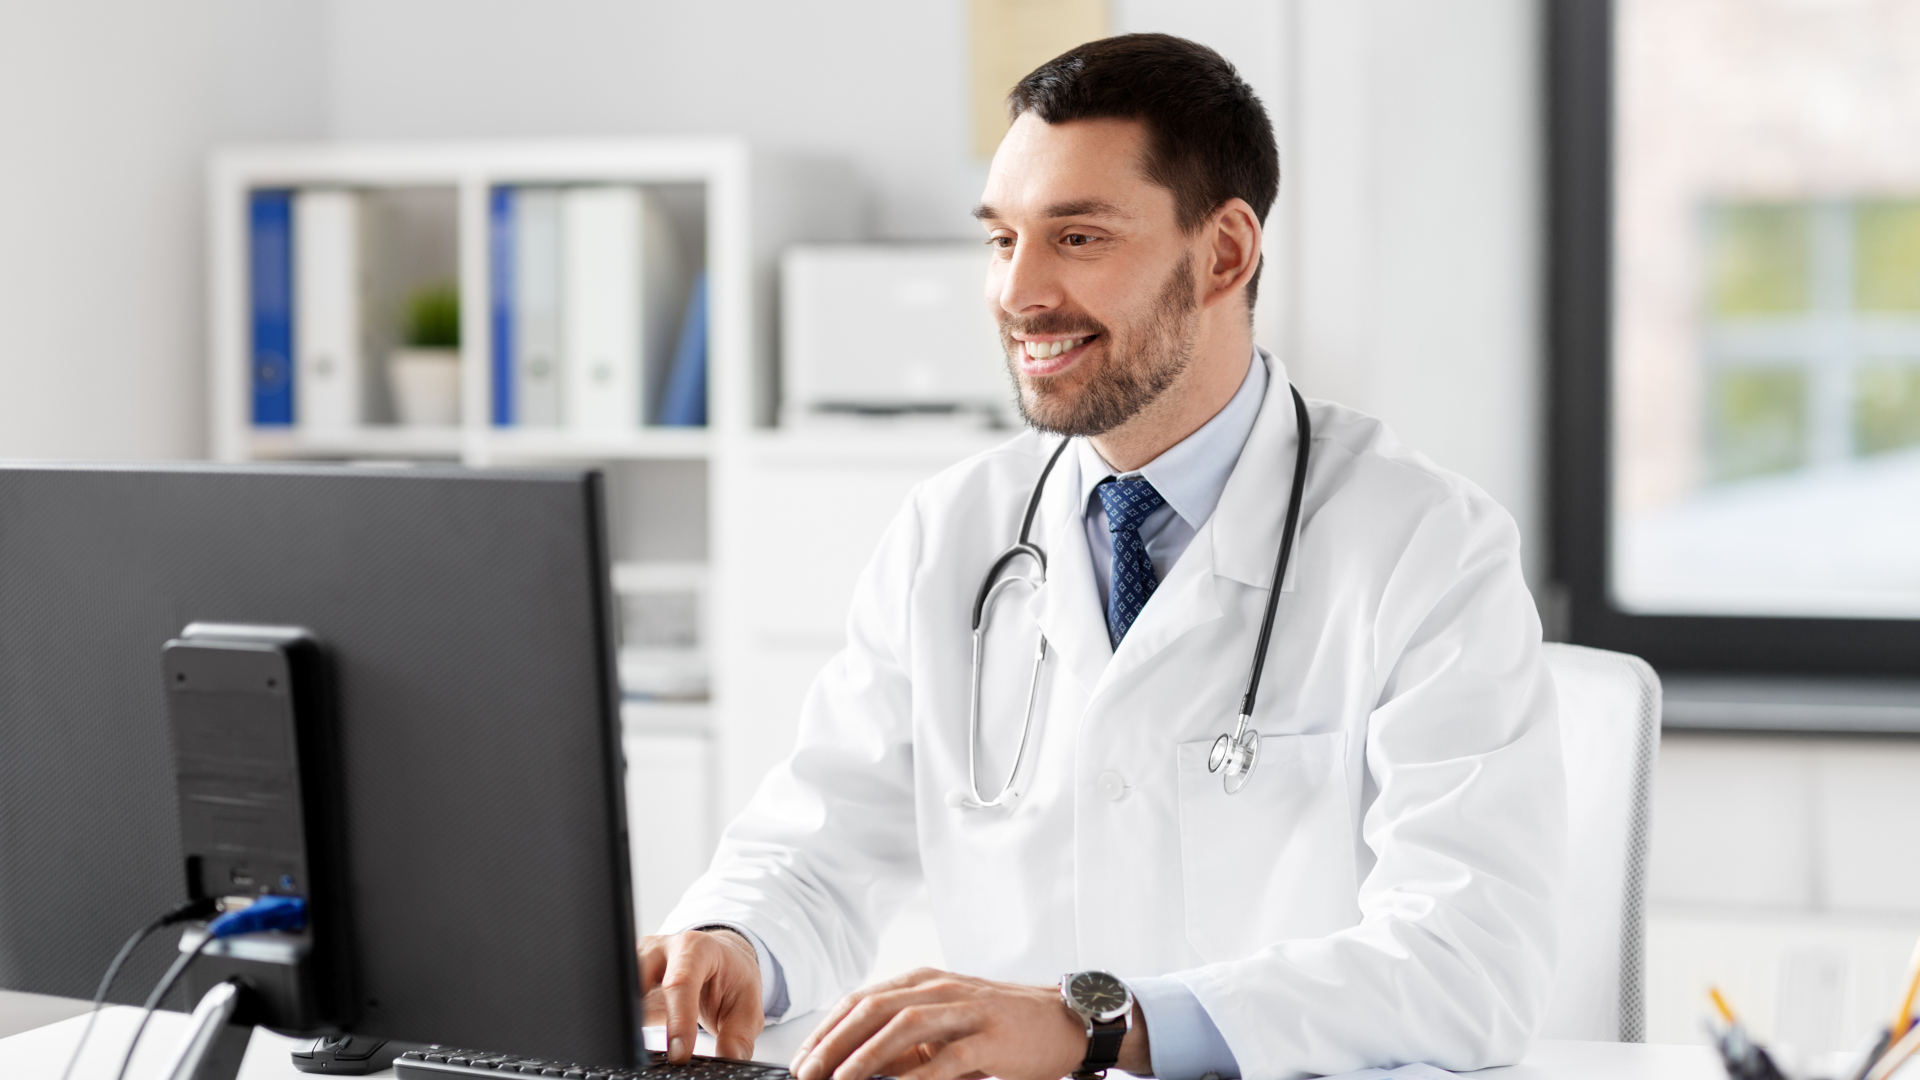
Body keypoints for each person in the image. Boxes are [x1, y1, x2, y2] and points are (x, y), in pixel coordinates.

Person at [647, 33, 1565, 1080]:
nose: (1018, 292)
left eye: (1077, 238)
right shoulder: (953, 534)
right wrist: (732, 939)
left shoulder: (1425, 547)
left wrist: (1102, 1024)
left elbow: (1467, 965)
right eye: (1002, 240)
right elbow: (816, 846)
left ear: (1224, 254)